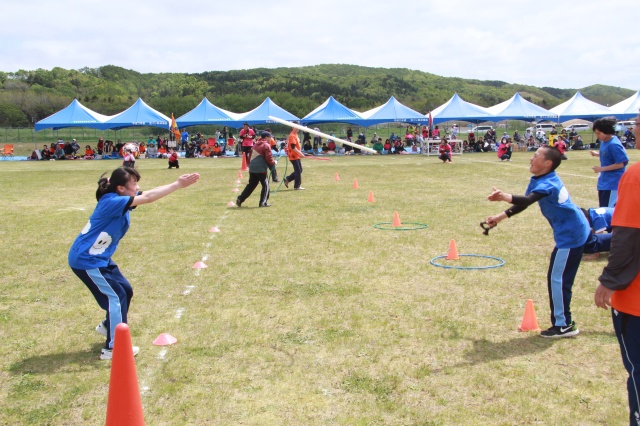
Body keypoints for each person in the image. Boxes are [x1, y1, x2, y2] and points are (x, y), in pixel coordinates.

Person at [68, 167, 200, 359]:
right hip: (87, 259)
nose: (138, 188)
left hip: (100, 257)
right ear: (121, 188)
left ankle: (108, 326)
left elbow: (147, 194)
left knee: (125, 290)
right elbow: (147, 198)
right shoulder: (112, 202)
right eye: (134, 184)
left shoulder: (119, 198)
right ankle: (113, 348)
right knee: (116, 295)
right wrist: (177, 184)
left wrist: (176, 184)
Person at [486, 146, 590, 338]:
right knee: (559, 276)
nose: (530, 159)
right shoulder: (539, 179)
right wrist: (500, 217)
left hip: (571, 235)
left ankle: (564, 324)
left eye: (535, 156)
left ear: (548, 163)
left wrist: (503, 196)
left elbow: (527, 199)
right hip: (576, 229)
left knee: (557, 279)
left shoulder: (549, 183)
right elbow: (524, 203)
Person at [594, 117, 640, 422]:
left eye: (637, 122)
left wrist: (611, 280)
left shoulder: (635, 175)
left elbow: (628, 234)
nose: (633, 127)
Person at [590, 117, 629, 208]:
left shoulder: (614, 144)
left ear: (606, 131)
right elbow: (609, 155)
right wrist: (598, 154)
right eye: (596, 133)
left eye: (599, 133)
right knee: (603, 208)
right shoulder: (604, 142)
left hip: (613, 183)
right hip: (604, 183)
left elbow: (621, 163)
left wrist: (601, 169)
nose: (597, 136)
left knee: (608, 211)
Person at [236, 131, 276, 208]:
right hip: (260, 169)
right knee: (265, 185)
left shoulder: (255, 145)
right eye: (270, 137)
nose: (271, 139)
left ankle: (240, 199)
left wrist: (249, 165)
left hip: (252, 168)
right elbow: (269, 159)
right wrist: (274, 162)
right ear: (266, 137)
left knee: (251, 185)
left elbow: (250, 156)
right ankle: (263, 203)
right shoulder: (266, 145)